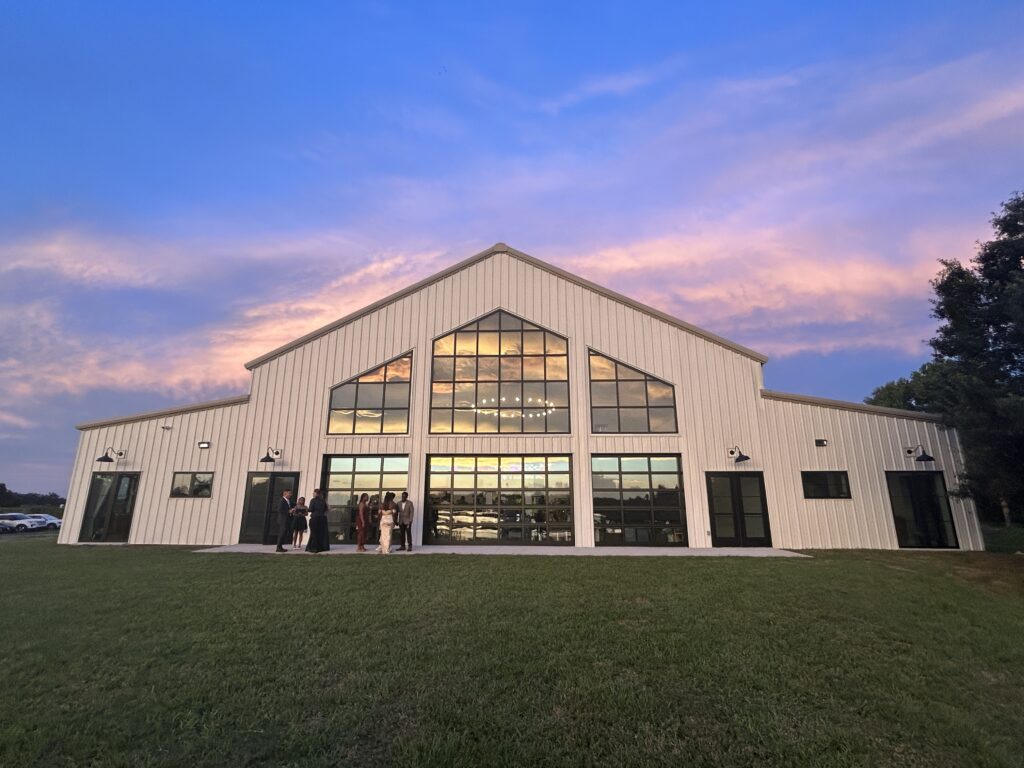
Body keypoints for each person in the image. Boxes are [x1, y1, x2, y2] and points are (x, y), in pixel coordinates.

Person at [306, 488, 330, 553]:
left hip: (315, 518)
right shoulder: (323, 501)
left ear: (316, 493)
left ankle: (314, 548)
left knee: (314, 533)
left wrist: (306, 509)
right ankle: (322, 547)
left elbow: (310, 509)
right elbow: (327, 509)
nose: (313, 494)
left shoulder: (313, 500)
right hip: (322, 518)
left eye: (314, 493)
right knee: (321, 533)